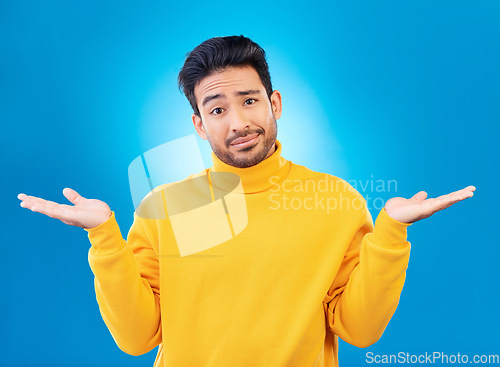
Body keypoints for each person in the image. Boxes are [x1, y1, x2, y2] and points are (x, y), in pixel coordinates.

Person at [17, 35, 475, 367]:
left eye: (249, 100)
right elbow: (138, 339)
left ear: (274, 103)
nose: (238, 122)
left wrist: (391, 233)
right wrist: (105, 240)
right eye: (217, 109)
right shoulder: (163, 207)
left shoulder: (335, 201)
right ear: (199, 125)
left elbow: (360, 330)